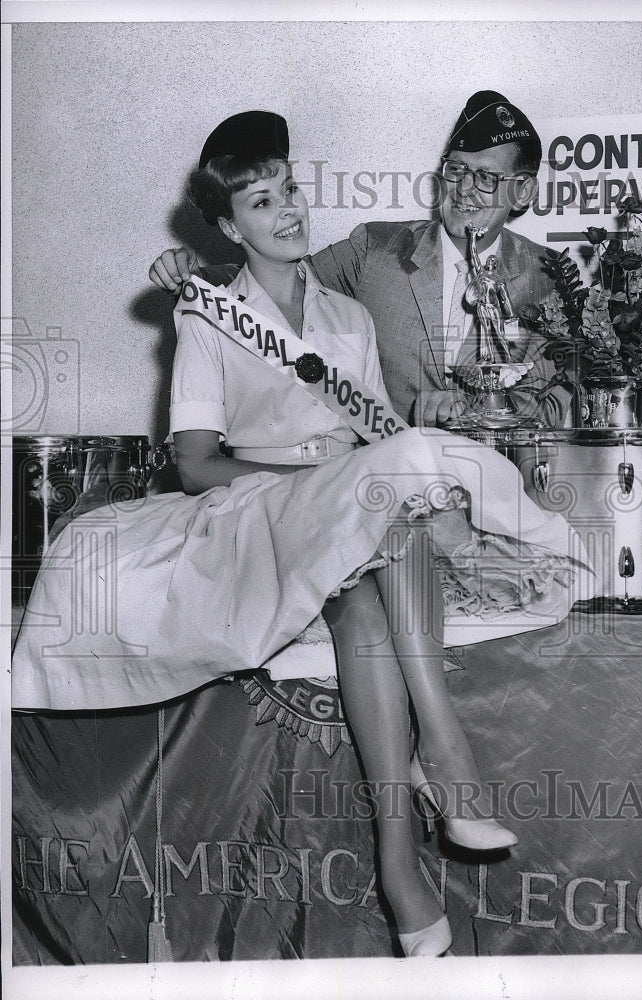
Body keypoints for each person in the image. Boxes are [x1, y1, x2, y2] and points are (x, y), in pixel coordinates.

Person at [13, 111, 592, 958]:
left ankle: (399, 863)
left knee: (365, 586)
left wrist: (388, 501)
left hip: (351, 521)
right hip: (253, 511)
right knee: (375, 506)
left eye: (290, 191)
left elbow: (375, 451)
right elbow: (198, 463)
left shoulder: (349, 321)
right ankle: (448, 753)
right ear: (226, 224)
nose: (287, 211)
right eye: (260, 200)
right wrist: (316, 487)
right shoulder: (210, 315)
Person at [149, 91, 570, 429]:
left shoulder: (552, 279)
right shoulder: (377, 247)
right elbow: (284, 278)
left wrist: (478, 412)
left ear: (523, 192)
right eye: (456, 170)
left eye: (486, 177)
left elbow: (556, 403)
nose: (463, 189)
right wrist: (195, 275)